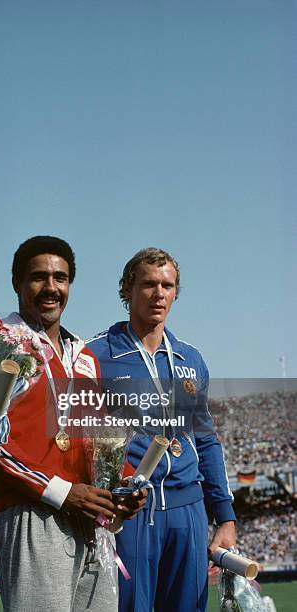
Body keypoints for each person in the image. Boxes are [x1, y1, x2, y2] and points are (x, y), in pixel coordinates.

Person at [0, 236, 145, 612]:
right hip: (34, 512)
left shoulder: (84, 355)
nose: (51, 287)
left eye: (61, 278)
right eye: (39, 277)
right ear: (16, 282)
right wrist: (63, 492)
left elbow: (100, 439)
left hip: (92, 520)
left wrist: (126, 482)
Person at [87, 247, 236, 612]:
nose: (159, 294)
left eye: (167, 286)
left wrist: (226, 517)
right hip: (133, 510)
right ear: (127, 289)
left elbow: (206, 441)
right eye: (149, 284)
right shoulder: (94, 355)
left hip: (188, 509)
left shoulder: (191, 358)